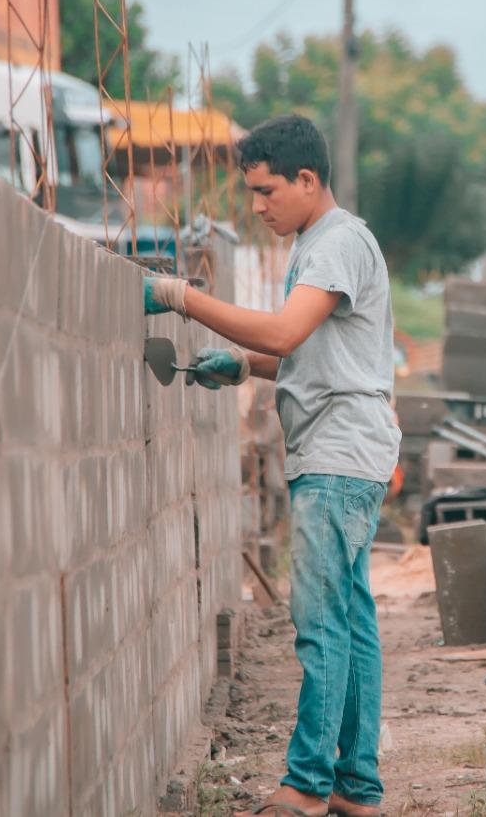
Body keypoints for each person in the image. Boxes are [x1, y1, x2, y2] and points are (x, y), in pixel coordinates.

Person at [144, 114, 400, 817]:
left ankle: (309, 786)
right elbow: (303, 351)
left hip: (340, 453)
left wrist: (182, 298)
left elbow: (288, 330)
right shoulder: (323, 243)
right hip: (349, 448)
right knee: (349, 620)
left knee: (319, 618)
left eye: (265, 191)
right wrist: (246, 366)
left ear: (307, 180)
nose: (256, 207)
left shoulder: (335, 243)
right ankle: (357, 787)